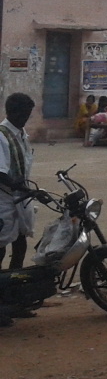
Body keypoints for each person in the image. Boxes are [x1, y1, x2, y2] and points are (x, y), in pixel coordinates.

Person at [0, 93, 37, 277]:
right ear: (12, 113)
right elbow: (0, 172)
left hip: (20, 199)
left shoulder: (21, 134)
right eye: (23, 115)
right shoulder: (1, 136)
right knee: (1, 244)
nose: (25, 119)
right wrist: (19, 186)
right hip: (4, 201)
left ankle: (14, 280)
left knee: (21, 240)